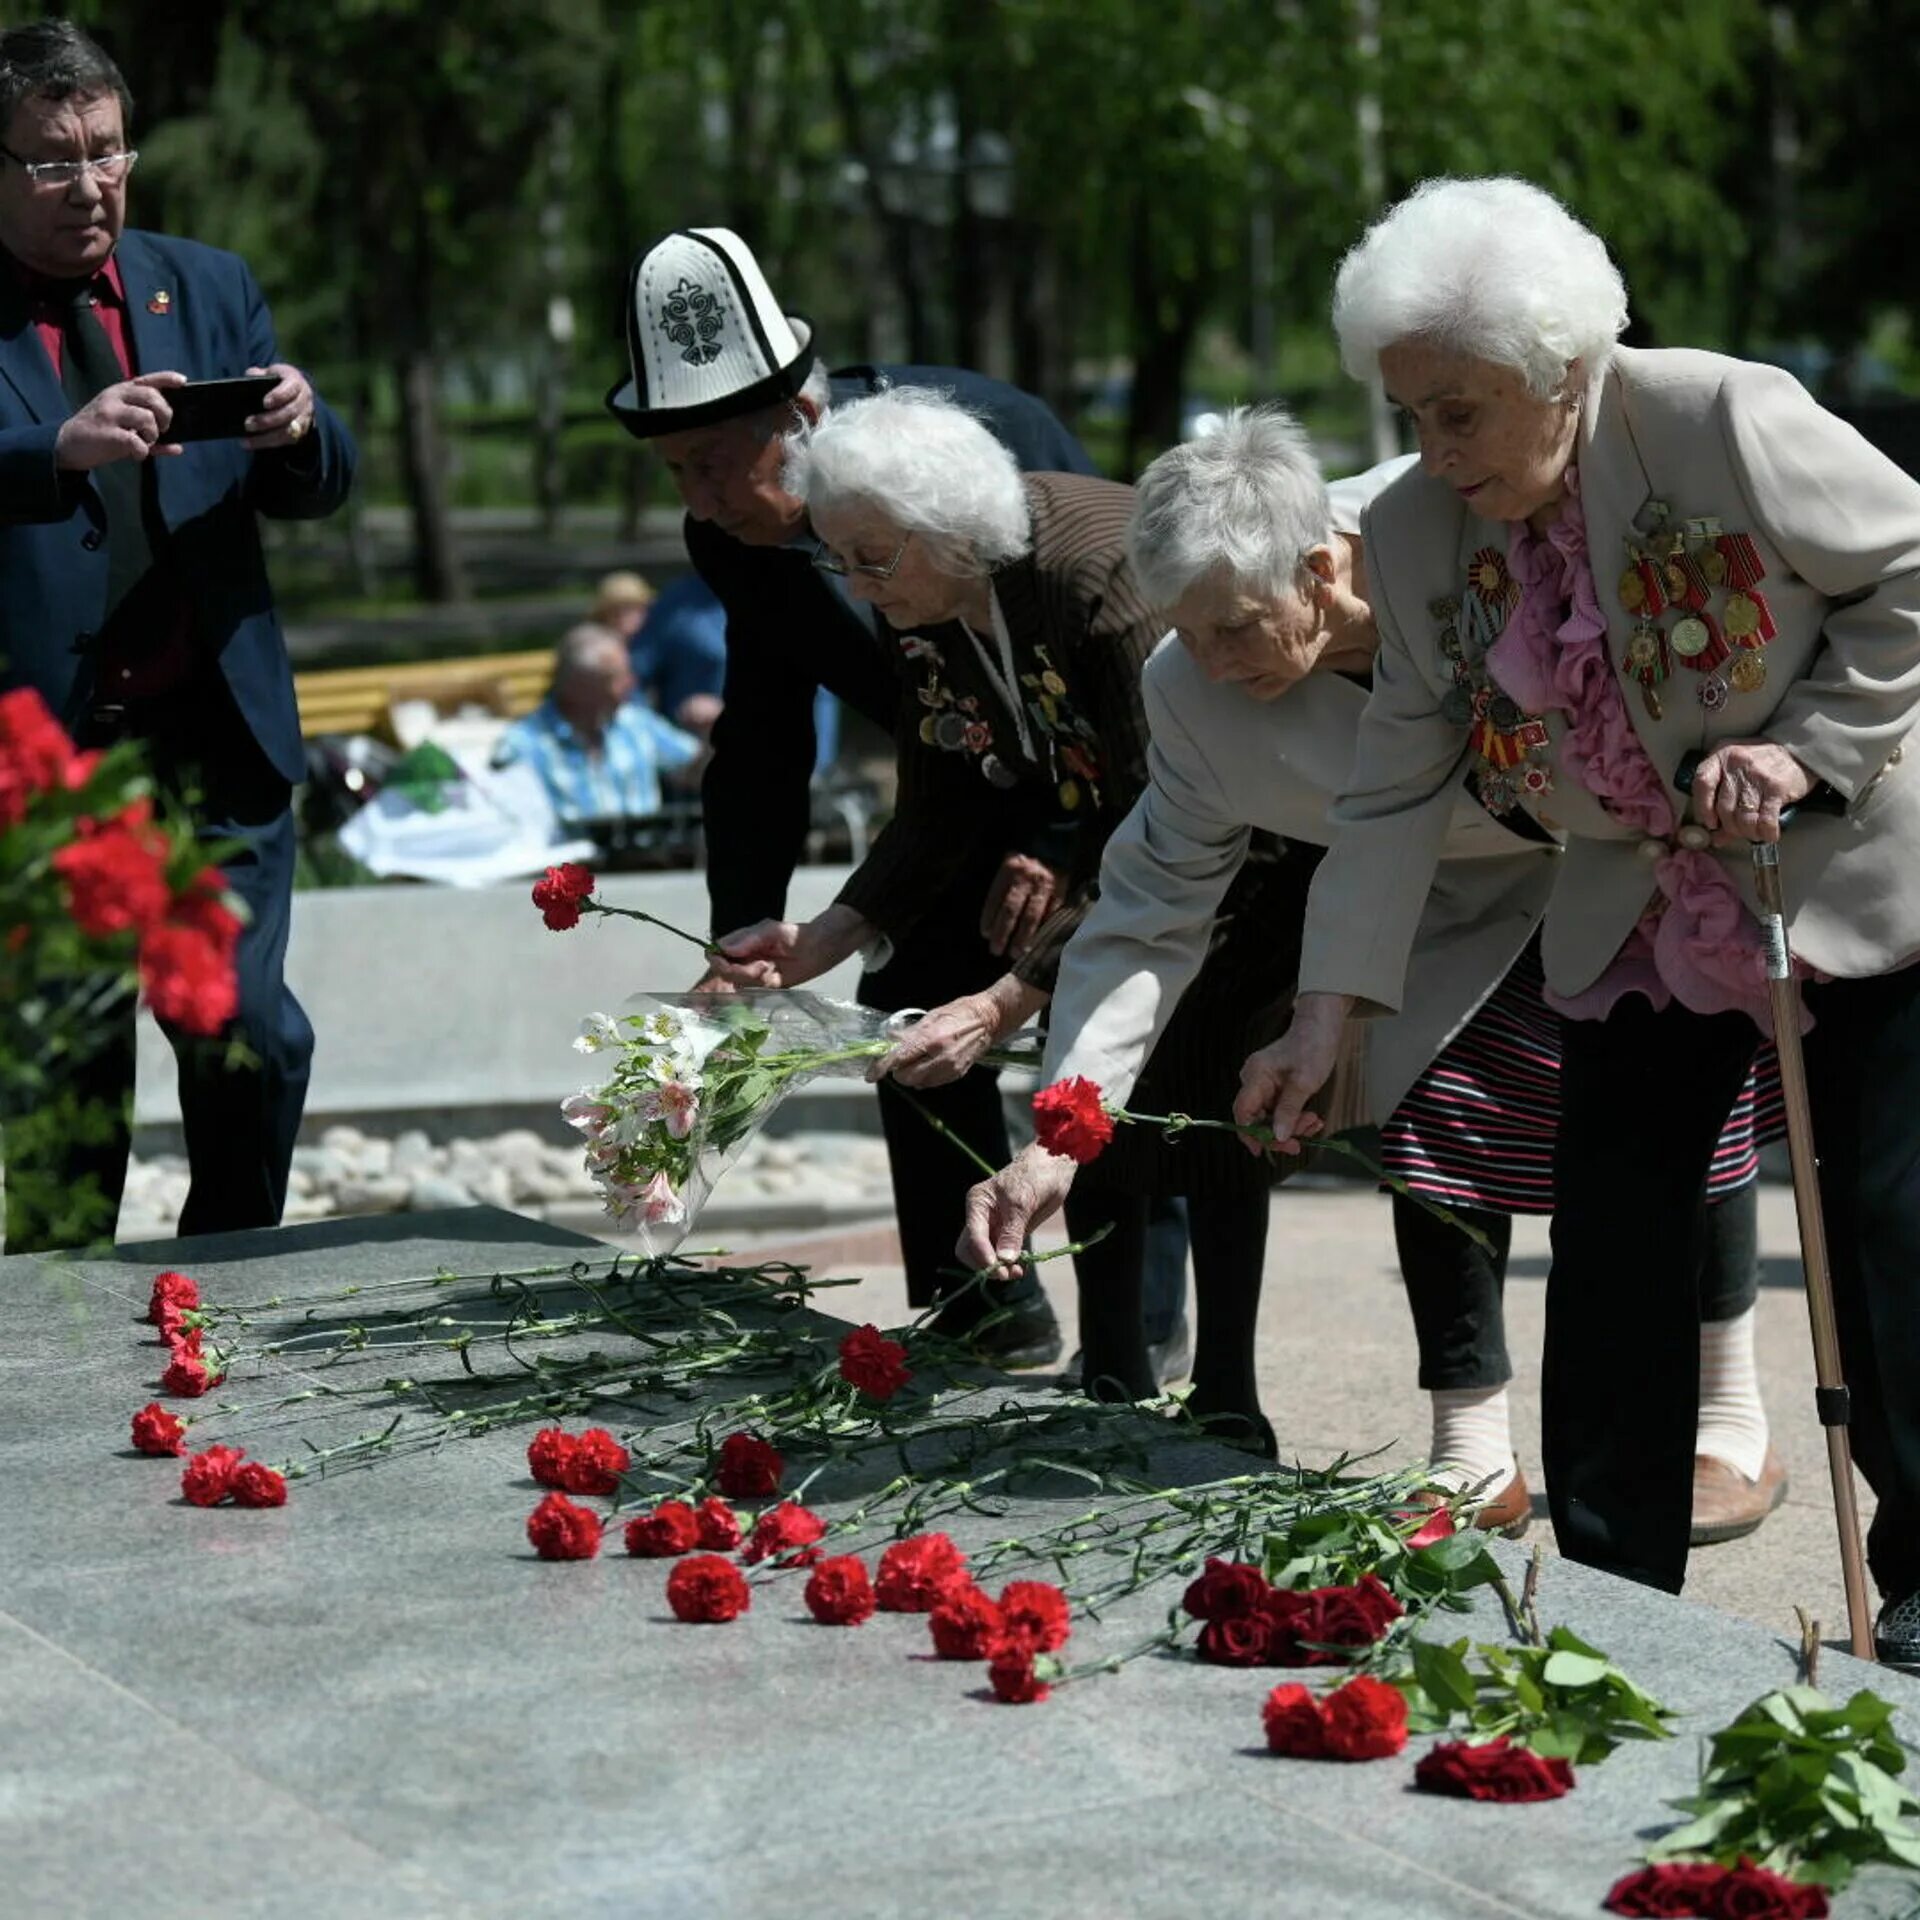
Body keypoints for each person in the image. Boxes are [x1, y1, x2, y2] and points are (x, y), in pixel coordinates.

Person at [1242, 177, 1920, 1668]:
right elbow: (1394, 775)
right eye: (1411, 413)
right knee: (1615, 1234)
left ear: (1561, 371)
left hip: (1845, 875)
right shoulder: (1421, 530)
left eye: (1461, 412)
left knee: (1885, 1232)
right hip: (1635, 903)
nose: (1430, 451)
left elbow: (1907, 569)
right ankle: (1618, 1586)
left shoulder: (1717, 416)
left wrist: (1807, 747)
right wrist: (1326, 1008)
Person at [948, 408, 1782, 1514]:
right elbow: (1149, 909)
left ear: (1317, 567)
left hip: (1636, 839)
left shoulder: (1452, 525)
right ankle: (1471, 1445)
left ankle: (1731, 1416)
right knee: (1427, 1109)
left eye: (1237, 628)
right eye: (1187, 631)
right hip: (1439, 900)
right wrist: (1062, 1136)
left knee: (1685, 1096)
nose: (1212, 662)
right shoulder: (1188, 689)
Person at [605, 225, 1182, 1367]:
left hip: (1101, 762)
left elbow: (1119, 701)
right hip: (950, 778)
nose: (701, 499)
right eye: (674, 471)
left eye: (716, 462)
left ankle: (1142, 1317)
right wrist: (754, 941)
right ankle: (981, 1301)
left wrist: (1063, 841)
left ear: (802, 425)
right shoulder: (735, 539)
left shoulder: (980, 451)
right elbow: (767, 737)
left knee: (1103, 1000)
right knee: (910, 983)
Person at [707, 386, 1173, 1354]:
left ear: (954, 529)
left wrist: (1008, 998)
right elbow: (941, 791)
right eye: (840, 558)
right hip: (1103, 821)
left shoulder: (1095, 577)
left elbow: (1158, 824)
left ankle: (1137, 1344)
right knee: (918, 973)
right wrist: (826, 935)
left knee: (1107, 1044)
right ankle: (1019, 1316)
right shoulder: (915, 588)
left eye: (872, 559)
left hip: (1208, 831)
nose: (858, 586)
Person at [0, 21, 355, 1251]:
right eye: (52, 161)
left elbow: (319, 483)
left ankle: (225, 1280)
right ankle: (49, 1358)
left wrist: (303, 428)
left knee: (251, 1035)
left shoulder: (203, 284)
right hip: (51, 767)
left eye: (107, 152)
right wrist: (54, 449)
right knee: (70, 1075)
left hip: (215, 741)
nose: (89, 184)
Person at [494, 623, 703, 826]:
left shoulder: (635, 723)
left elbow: (696, 772)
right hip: (569, 860)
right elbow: (509, 826)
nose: (631, 683)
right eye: (617, 677)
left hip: (649, 857)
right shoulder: (521, 745)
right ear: (579, 687)